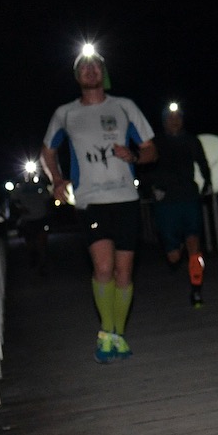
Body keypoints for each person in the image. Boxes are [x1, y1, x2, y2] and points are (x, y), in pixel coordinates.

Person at [40, 46, 156, 363]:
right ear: (77, 76)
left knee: (124, 274)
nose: (90, 71)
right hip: (90, 201)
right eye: (83, 67)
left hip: (125, 199)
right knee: (103, 268)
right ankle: (109, 333)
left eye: (95, 66)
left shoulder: (125, 107)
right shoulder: (65, 113)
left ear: (102, 73)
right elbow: (47, 151)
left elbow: (150, 150)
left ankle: (116, 334)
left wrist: (133, 155)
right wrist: (57, 180)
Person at [146, 102, 213, 307]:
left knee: (195, 243)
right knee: (174, 257)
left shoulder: (192, 141)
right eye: (170, 118)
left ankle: (196, 290)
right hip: (165, 202)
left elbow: (202, 162)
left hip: (189, 197)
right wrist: (151, 188)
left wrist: (208, 182)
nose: (174, 121)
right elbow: (145, 168)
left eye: (178, 117)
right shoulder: (155, 142)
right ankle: (176, 246)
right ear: (164, 121)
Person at [9, 161, 52, 275]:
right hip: (27, 219)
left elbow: (48, 200)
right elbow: (13, 201)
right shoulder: (19, 187)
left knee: (42, 243)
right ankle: (33, 260)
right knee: (30, 243)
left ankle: (42, 265)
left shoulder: (41, 186)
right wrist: (20, 208)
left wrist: (49, 214)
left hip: (41, 217)